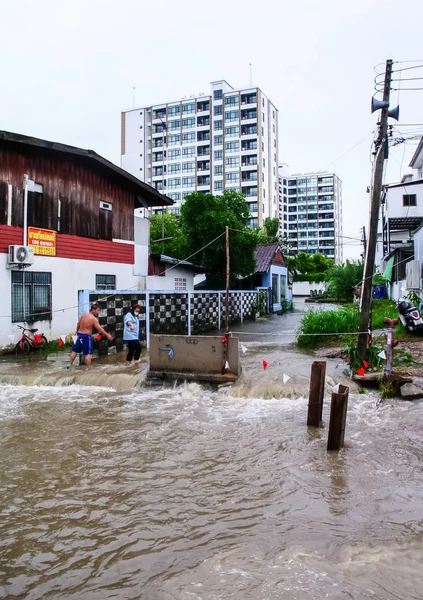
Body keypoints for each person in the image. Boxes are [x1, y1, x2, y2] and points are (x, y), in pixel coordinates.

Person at [69, 303, 113, 369]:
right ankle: (88, 369)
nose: (98, 312)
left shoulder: (83, 315)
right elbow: (100, 329)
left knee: (75, 351)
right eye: (98, 310)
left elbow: (78, 324)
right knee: (88, 353)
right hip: (86, 337)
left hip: (79, 335)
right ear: (93, 310)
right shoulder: (93, 319)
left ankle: (69, 365)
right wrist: (107, 335)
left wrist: (77, 332)